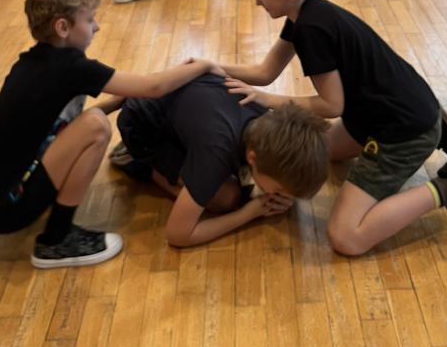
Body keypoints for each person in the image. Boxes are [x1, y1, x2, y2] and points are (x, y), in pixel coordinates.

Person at [214, 0, 447, 256]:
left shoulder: (311, 30)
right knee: (319, 153)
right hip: (392, 108)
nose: (257, 2)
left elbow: (331, 105)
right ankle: (433, 123)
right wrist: (213, 67)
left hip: (399, 131)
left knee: (345, 237)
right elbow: (266, 72)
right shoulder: (304, 13)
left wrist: (268, 101)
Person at [0, 0, 212, 268]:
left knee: (88, 119)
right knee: (95, 127)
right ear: (63, 27)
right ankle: (57, 239)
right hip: (9, 212)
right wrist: (202, 65)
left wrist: (120, 100)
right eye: (90, 19)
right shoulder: (71, 68)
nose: (97, 27)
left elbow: (61, 123)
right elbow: (153, 87)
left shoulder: (30, 62)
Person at [108, 75, 329, 247]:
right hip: (141, 127)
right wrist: (248, 214)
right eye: (279, 190)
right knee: (225, 199)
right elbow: (177, 235)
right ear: (252, 158)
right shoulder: (216, 151)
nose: (281, 196)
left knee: (231, 184)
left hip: (185, 106)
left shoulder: (269, 123)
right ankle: (137, 162)